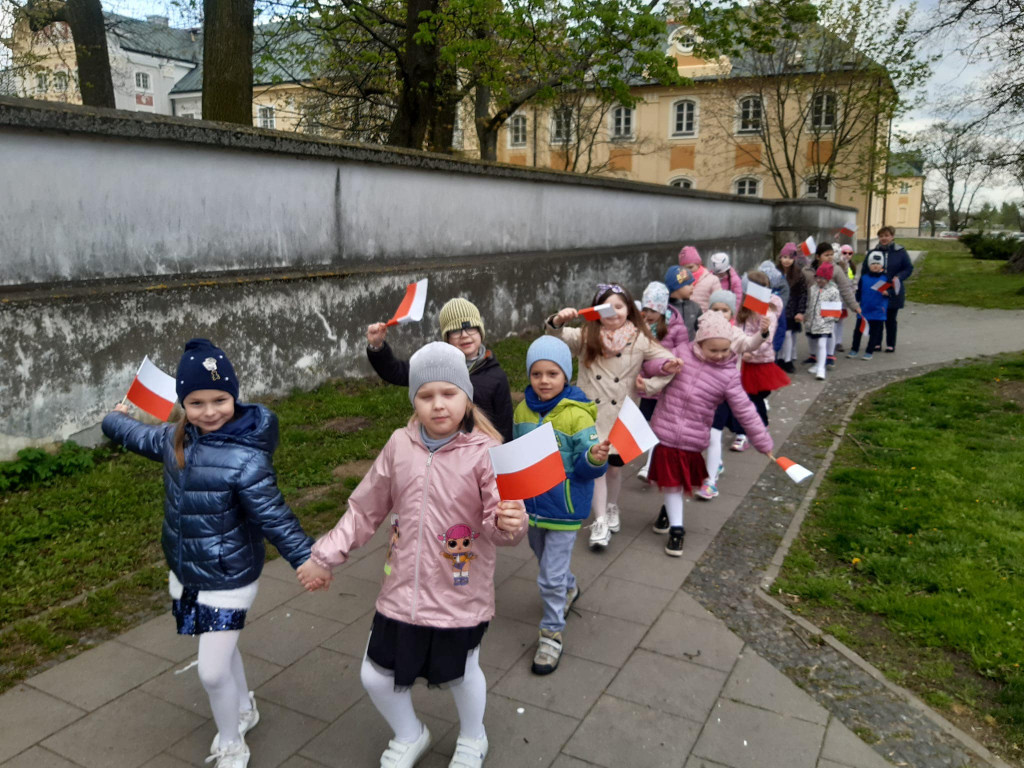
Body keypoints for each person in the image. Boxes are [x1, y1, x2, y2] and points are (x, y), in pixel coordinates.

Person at [297, 342, 527, 768]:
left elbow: (501, 526)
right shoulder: (399, 445)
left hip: (459, 591)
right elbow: (364, 508)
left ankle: (473, 737)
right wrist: (325, 556)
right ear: (413, 400)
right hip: (401, 589)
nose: (438, 404)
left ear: (466, 396)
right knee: (374, 675)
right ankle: (410, 734)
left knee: (461, 674)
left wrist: (510, 522)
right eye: (426, 395)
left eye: (449, 393)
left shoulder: (486, 452)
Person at [102, 339, 314, 768]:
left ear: (234, 396)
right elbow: (135, 434)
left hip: (229, 576)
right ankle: (243, 708)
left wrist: (306, 558)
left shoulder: (246, 459)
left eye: (220, 400)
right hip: (186, 571)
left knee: (211, 672)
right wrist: (113, 419)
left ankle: (232, 744)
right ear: (183, 404)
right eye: (196, 402)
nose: (210, 411)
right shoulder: (173, 439)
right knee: (223, 650)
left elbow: (274, 515)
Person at [546, 283, 677, 549]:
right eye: (607, 307)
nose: (614, 312)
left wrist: (650, 385)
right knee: (597, 468)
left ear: (629, 309)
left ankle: (612, 506)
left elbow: (671, 363)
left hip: (621, 417)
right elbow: (555, 337)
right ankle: (600, 521)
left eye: (619, 306)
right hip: (590, 415)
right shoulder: (586, 335)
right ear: (596, 311)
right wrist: (558, 320)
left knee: (615, 471)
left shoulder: (639, 339)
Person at [513, 337, 609, 675]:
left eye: (552, 373)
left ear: (565, 375)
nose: (543, 380)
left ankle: (552, 632)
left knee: (548, 576)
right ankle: (569, 586)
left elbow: (586, 469)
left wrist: (594, 458)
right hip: (532, 508)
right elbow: (518, 455)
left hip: (565, 510)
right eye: (536, 374)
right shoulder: (522, 411)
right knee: (544, 560)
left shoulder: (577, 416)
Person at [642, 311, 774, 555]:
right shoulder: (681, 353)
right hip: (666, 430)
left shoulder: (729, 375)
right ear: (700, 342)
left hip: (692, 438)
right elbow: (650, 365)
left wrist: (762, 441)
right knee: (672, 482)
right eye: (714, 350)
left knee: (675, 482)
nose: (721, 355)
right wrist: (664, 366)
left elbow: (745, 410)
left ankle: (669, 514)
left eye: (725, 350)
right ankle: (677, 529)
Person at [366, 297, 514, 443]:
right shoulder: (433, 367)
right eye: (455, 331)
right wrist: (377, 347)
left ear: (480, 332)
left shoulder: (496, 377)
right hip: (441, 448)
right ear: (447, 338)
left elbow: (504, 425)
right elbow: (395, 372)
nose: (464, 335)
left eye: (470, 328)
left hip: (480, 451)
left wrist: (502, 452)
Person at [688, 290, 766, 502]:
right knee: (701, 435)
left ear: (732, 313)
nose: (720, 313)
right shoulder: (702, 331)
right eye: (715, 309)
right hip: (701, 392)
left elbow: (749, 344)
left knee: (714, 435)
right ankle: (717, 462)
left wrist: (762, 334)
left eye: (725, 310)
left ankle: (710, 481)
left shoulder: (734, 333)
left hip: (723, 393)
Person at [735, 271, 790, 429]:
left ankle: (761, 426)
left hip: (760, 362)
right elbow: (738, 329)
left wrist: (750, 352)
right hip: (743, 360)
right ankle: (746, 427)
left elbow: (767, 340)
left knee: (754, 396)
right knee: (746, 396)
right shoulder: (743, 308)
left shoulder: (767, 312)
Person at [803, 243, 859, 367]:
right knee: (811, 330)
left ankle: (829, 355)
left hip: (830, 305)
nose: (830, 257)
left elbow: (845, 289)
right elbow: (802, 289)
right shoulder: (807, 270)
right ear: (818, 256)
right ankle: (813, 355)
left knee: (830, 330)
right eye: (826, 255)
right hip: (812, 305)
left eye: (832, 254)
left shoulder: (836, 269)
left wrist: (854, 306)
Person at [868, 226, 914, 352]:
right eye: (881, 236)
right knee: (877, 318)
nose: (884, 238)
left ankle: (890, 344)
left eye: (887, 236)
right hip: (878, 288)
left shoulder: (900, 251)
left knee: (890, 318)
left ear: (892, 237)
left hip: (894, 288)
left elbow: (908, 268)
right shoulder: (874, 252)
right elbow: (867, 269)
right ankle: (876, 343)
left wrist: (899, 277)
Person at [848, 251, 890, 360]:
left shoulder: (885, 278)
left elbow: (893, 292)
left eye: (878, 263)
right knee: (858, 331)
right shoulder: (864, 278)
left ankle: (869, 351)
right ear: (869, 265)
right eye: (873, 263)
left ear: (882, 265)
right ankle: (854, 349)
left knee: (874, 333)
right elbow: (859, 292)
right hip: (864, 310)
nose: (875, 265)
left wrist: (888, 293)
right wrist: (855, 303)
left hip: (878, 311)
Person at [806, 264, 841, 381]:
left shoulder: (833, 291)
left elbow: (836, 311)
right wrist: (807, 316)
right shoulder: (813, 289)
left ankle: (821, 369)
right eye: (817, 277)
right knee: (816, 344)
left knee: (822, 344)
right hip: (812, 323)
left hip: (825, 324)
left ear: (828, 278)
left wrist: (826, 319)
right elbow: (809, 304)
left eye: (823, 278)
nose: (819, 280)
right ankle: (818, 364)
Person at [775, 246, 807, 373]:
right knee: (778, 333)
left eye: (790, 258)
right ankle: (779, 358)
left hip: (791, 309)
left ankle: (787, 360)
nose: (787, 260)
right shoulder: (775, 272)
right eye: (784, 257)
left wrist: (800, 311)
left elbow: (803, 294)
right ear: (780, 258)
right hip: (777, 308)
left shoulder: (798, 274)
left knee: (788, 334)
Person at [678, 245, 721, 311]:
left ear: (698, 264)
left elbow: (719, 303)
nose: (687, 271)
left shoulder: (712, 280)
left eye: (690, 267)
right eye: (684, 268)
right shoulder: (679, 280)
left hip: (705, 316)